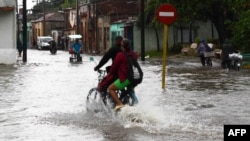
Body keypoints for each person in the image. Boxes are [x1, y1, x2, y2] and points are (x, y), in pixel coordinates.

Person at [94, 36, 139, 105]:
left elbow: (106, 60)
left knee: (103, 86)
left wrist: (98, 67)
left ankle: (106, 105)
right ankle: (131, 99)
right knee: (129, 88)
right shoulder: (133, 53)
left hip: (120, 75)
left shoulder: (117, 52)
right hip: (133, 76)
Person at [107, 38, 139, 111]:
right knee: (129, 89)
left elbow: (114, 67)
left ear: (122, 46)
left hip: (126, 78)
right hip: (135, 78)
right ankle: (131, 100)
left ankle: (119, 103)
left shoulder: (120, 55)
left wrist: (109, 73)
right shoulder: (134, 54)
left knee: (110, 89)